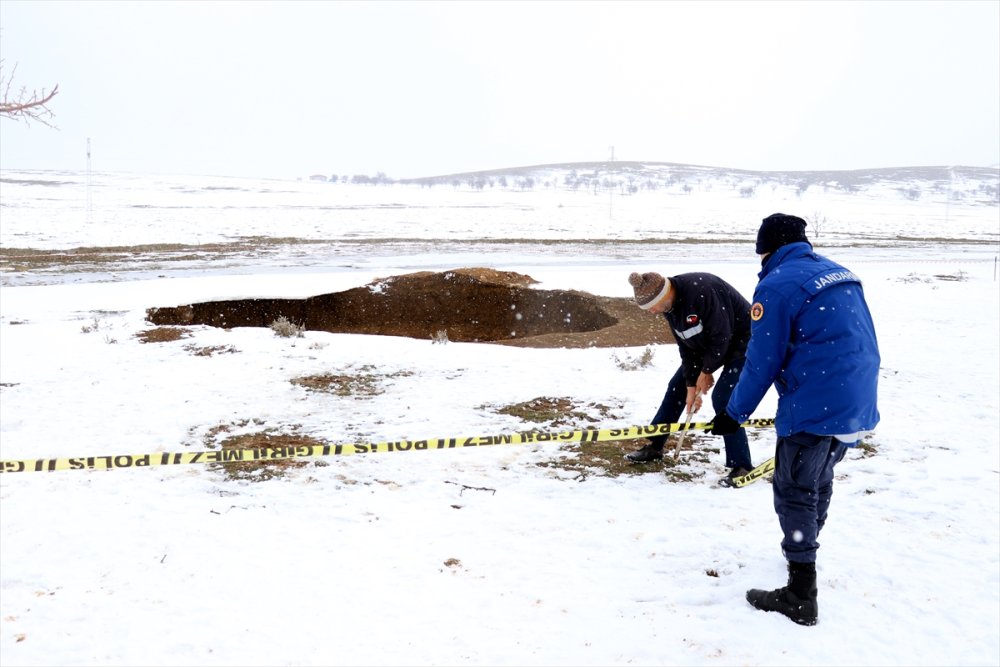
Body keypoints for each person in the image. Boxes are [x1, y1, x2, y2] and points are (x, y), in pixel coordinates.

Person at [710, 213, 880, 626]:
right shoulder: (840, 273)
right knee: (818, 478)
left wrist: (733, 413)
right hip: (856, 394)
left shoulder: (777, 284)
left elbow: (761, 360)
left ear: (767, 249)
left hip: (816, 400)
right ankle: (803, 545)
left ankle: (801, 593)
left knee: (794, 490)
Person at [626, 270, 754, 485]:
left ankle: (741, 464)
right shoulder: (670, 307)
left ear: (663, 295)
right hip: (711, 344)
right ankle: (656, 445)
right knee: (677, 387)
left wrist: (706, 373)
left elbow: (721, 335)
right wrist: (690, 387)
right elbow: (686, 348)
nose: (652, 312)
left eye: (652, 307)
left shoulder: (701, 291)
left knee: (723, 397)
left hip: (743, 341)